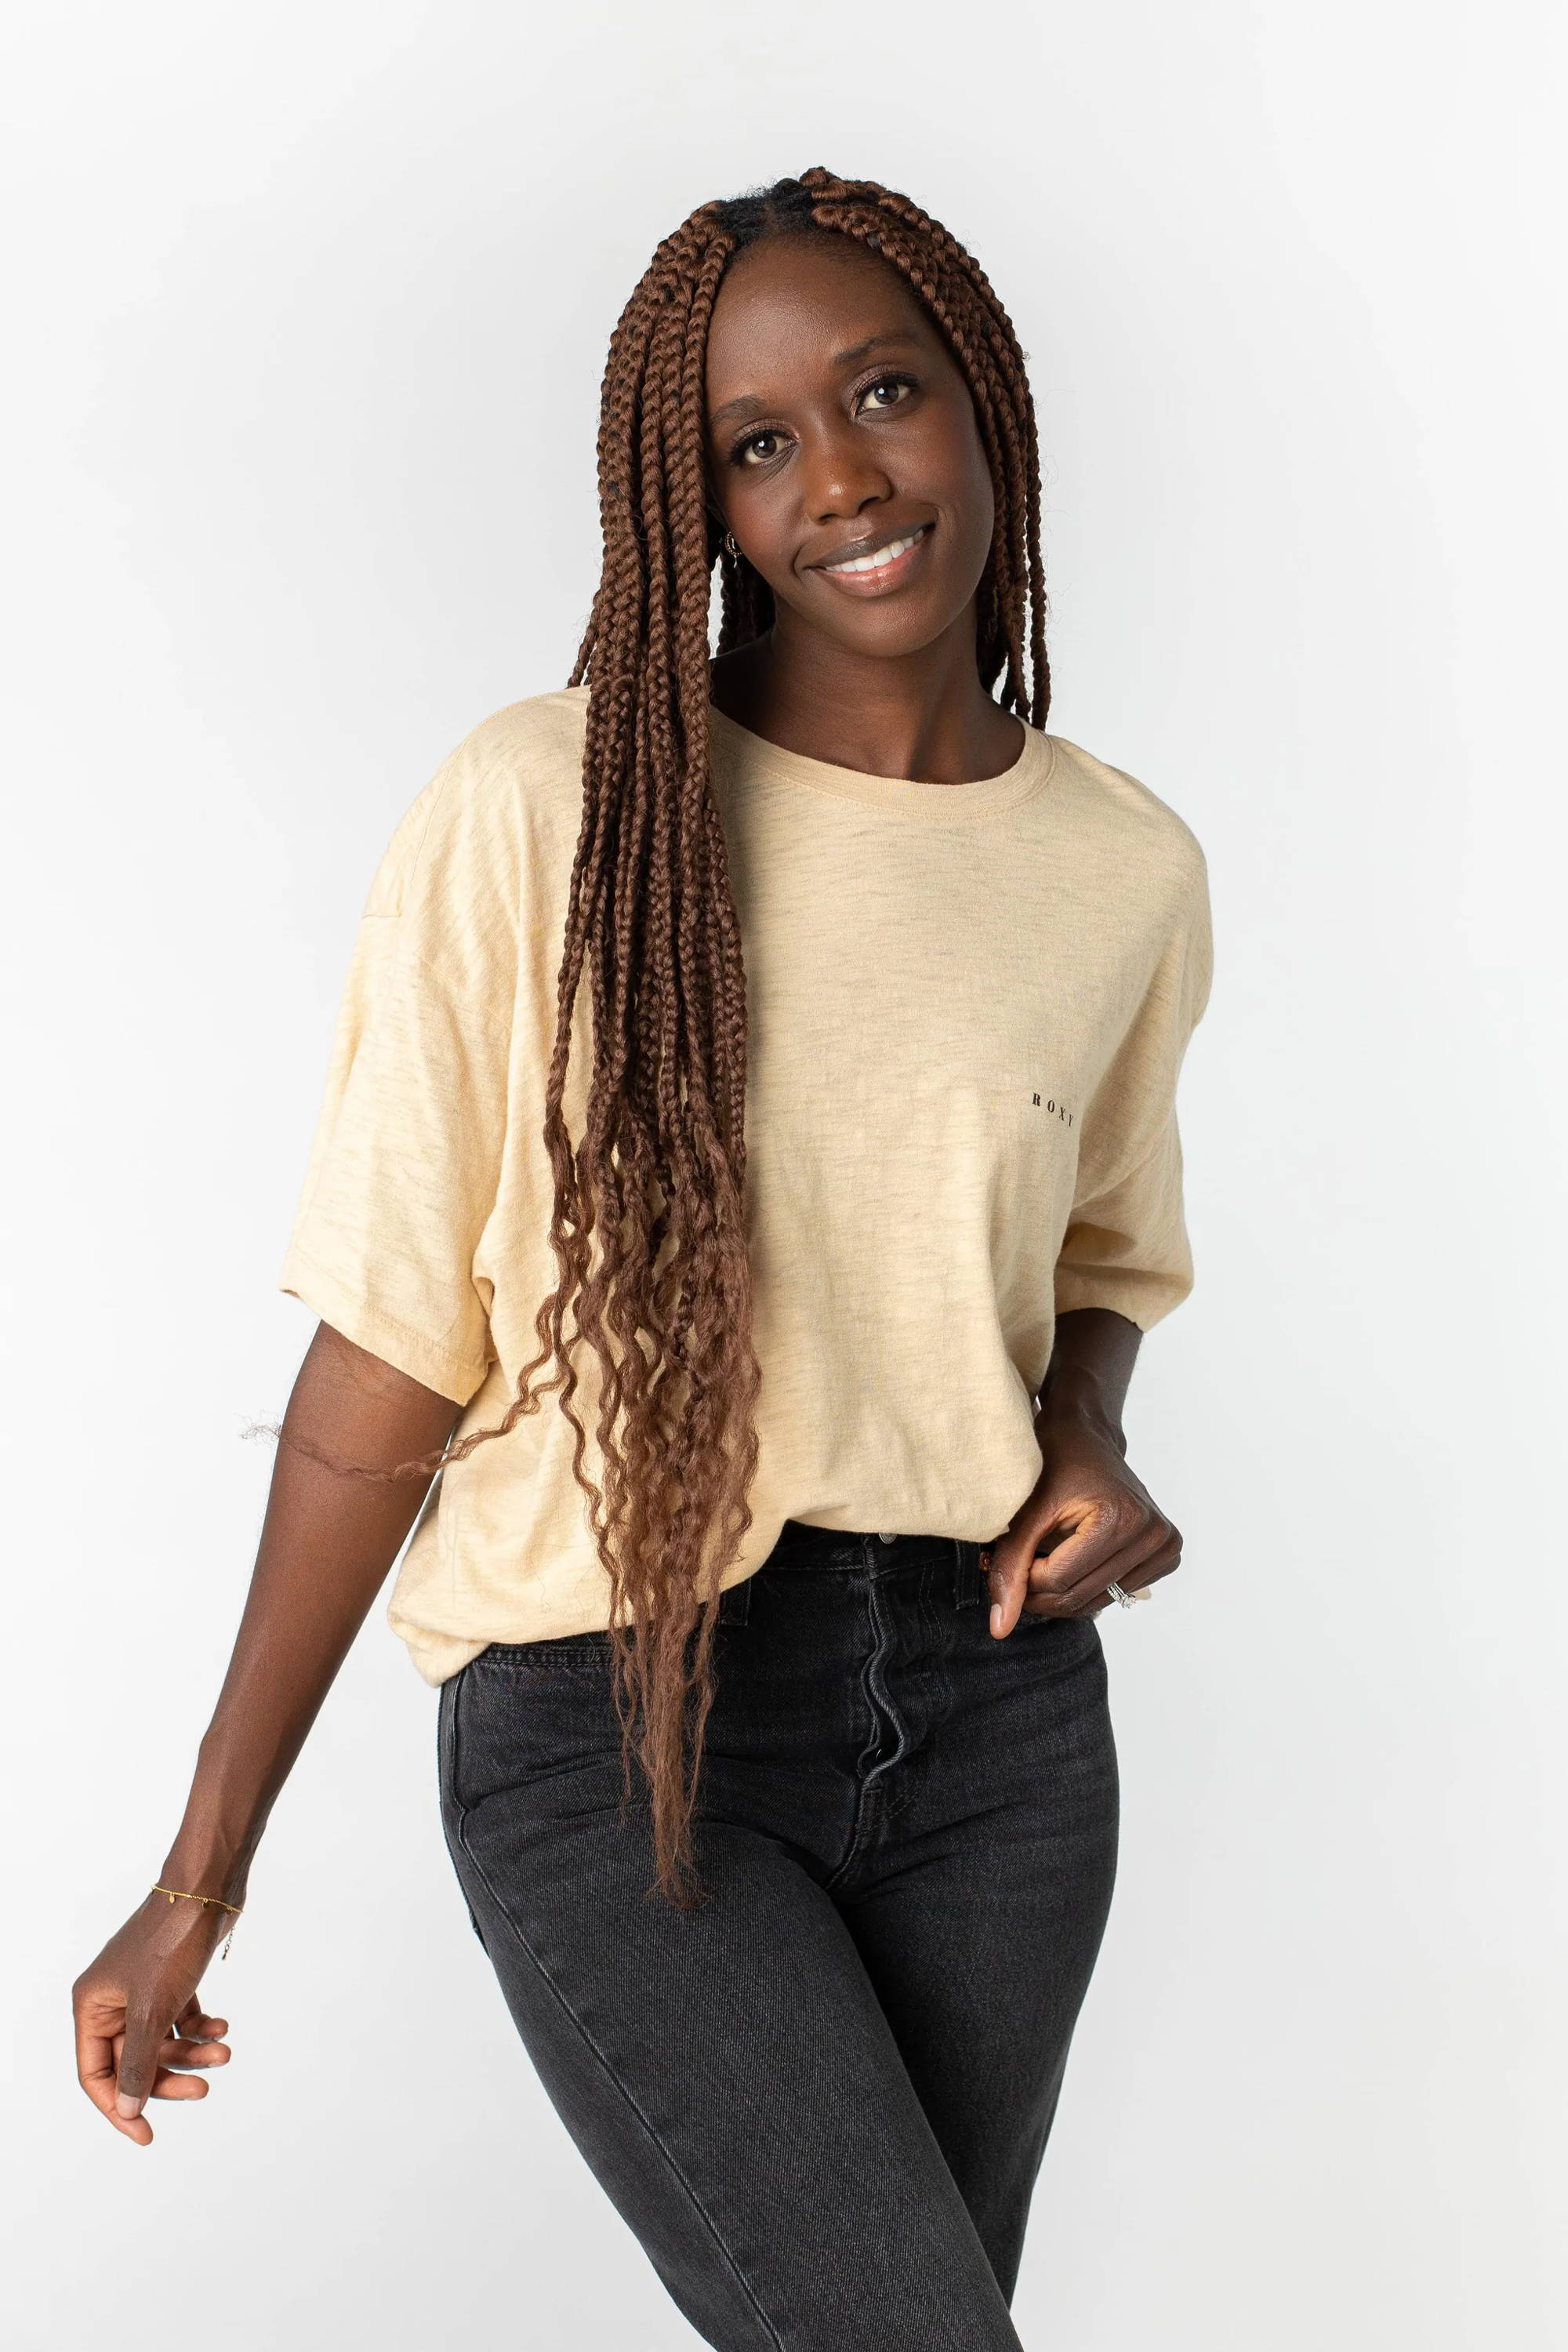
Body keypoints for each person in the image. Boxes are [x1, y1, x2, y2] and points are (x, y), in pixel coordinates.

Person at [71, 169, 1212, 2351]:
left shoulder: (1120, 867)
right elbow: (387, 1364)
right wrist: (201, 1873)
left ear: (985, 400)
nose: (843, 478)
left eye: (884, 392)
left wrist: (1086, 1436)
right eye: (756, 444)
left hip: (994, 1728)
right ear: (686, 503)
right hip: (624, 1721)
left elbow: (1095, 1257)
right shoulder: (551, 812)